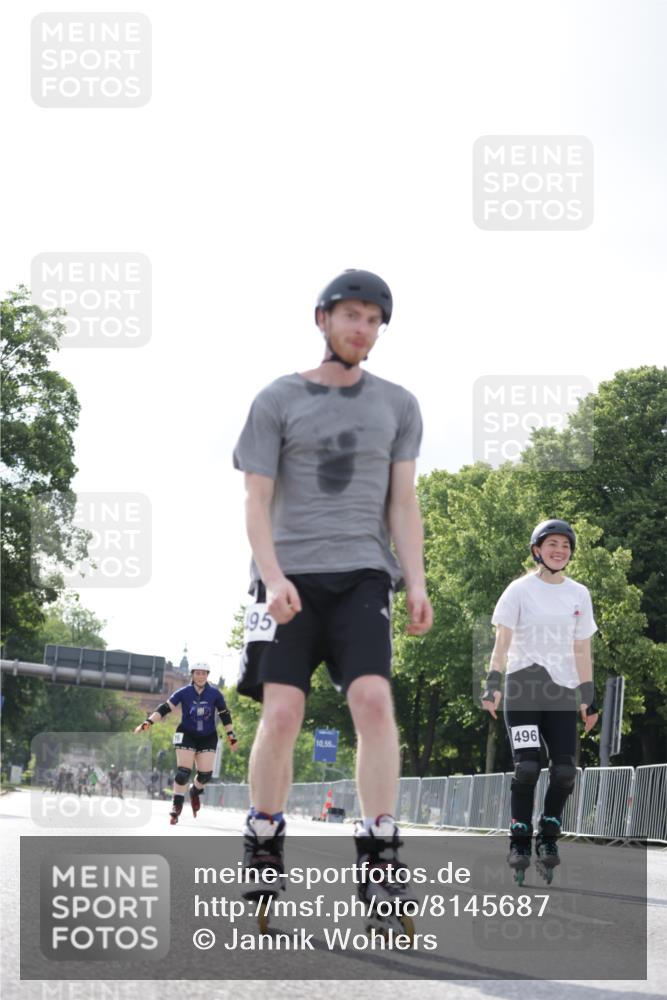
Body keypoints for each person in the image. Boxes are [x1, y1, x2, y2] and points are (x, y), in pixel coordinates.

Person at [233, 268, 433, 926]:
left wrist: (416, 581)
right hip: (287, 577)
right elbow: (255, 500)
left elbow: (402, 502)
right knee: (282, 714)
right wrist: (272, 577)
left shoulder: (398, 405)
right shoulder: (277, 398)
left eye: (374, 320)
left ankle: (380, 856)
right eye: (351, 315)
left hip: (362, 575)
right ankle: (264, 841)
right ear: (322, 319)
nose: (362, 329)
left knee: (373, 701)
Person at [482, 519, 599, 884]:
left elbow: (581, 648)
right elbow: (502, 641)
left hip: (561, 692)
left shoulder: (579, 594)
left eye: (565, 545)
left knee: (564, 771)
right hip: (523, 687)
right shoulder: (519, 590)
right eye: (552, 544)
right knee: (528, 767)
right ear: (537, 550)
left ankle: (548, 836)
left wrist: (588, 696)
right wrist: (493, 681)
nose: (559, 551)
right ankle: (519, 841)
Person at [134, 663, 239, 824]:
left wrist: (231, 736)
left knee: (205, 775)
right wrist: (147, 723)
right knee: (183, 773)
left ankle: (195, 790)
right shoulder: (183, 692)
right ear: (192, 674)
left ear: (207, 675)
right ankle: (177, 805)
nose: (200, 676)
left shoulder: (215, 693)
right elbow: (165, 708)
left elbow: (225, 715)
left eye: (203, 673)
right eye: (197, 673)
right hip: (186, 734)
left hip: (208, 736)